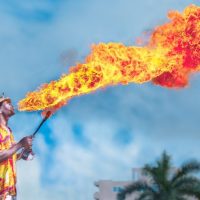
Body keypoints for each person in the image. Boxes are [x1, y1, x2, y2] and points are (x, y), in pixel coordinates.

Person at [0, 96, 33, 200]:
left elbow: (8, 156)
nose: (11, 105)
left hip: (11, 190)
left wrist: (21, 155)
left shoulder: (8, 131)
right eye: (7, 103)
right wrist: (20, 144)